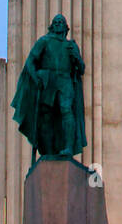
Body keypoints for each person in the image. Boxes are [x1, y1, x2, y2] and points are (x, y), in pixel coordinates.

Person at [11, 14, 87, 159]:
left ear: (66, 27)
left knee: (66, 111)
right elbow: (31, 62)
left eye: (61, 22)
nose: (59, 24)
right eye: (56, 22)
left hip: (65, 81)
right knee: (47, 115)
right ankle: (48, 150)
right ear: (52, 25)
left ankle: (68, 147)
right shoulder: (44, 42)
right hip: (49, 80)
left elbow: (81, 69)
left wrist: (76, 58)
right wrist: (36, 78)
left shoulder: (71, 46)